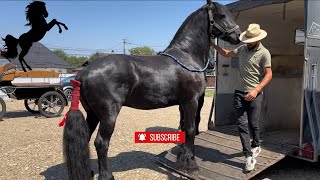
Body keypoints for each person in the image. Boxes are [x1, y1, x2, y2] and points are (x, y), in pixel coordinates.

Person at [211, 23, 273, 171]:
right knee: (241, 124)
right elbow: (227, 53)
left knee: (253, 124)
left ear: (257, 39)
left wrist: (256, 90)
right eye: (246, 40)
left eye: (250, 40)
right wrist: (213, 45)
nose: (247, 42)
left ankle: (256, 144)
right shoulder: (242, 49)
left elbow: (269, 74)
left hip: (254, 94)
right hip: (239, 92)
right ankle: (248, 156)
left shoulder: (264, 53)